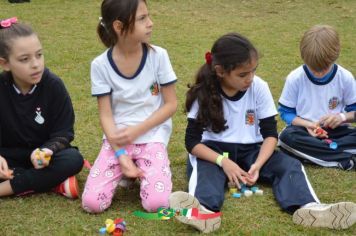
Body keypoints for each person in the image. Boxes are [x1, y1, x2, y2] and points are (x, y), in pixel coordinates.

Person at [169, 33, 356, 233]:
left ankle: (309, 207)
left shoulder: (259, 86)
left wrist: (257, 165)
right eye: (243, 75)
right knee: (207, 174)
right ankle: (204, 211)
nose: (250, 78)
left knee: (289, 165)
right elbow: (192, 143)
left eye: (253, 71)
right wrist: (224, 162)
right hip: (214, 153)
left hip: (252, 151)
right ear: (220, 71)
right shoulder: (203, 92)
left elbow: (270, 135)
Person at [81, 0, 177, 213]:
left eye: (148, 16)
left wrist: (137, 130)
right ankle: (128, 169)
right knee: (92, 204)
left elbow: (171, 105)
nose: (150, 23)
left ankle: (150, 169)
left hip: (152, 137)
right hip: (118, 141)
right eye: (142, 18)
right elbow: (106, 116)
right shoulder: (100, 65)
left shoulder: (158, 56)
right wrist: (121, 156)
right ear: (118, 26)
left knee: (157, 204)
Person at [0, 18, 83, 198]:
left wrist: (47, 150)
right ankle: (52, 183)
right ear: (5, 63)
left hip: (44, 157)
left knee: (73, 160)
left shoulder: (53, 85)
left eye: (39, 55)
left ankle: (7, 188)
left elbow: (64, 133)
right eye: (24, 59)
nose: (36, 64)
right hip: (9, 156)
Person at [278, 25, 356, 170]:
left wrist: (342, 117)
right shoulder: (295, 78)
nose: (318, 74)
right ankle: (344, 159)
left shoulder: (345, 78)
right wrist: (308, 124)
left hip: (338, 132)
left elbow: (354, 112)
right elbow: (285, 113)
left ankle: (318, 153)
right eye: (313, 68)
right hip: (304, 132)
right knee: (286, 138)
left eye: (324, 68)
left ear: (335, 56)